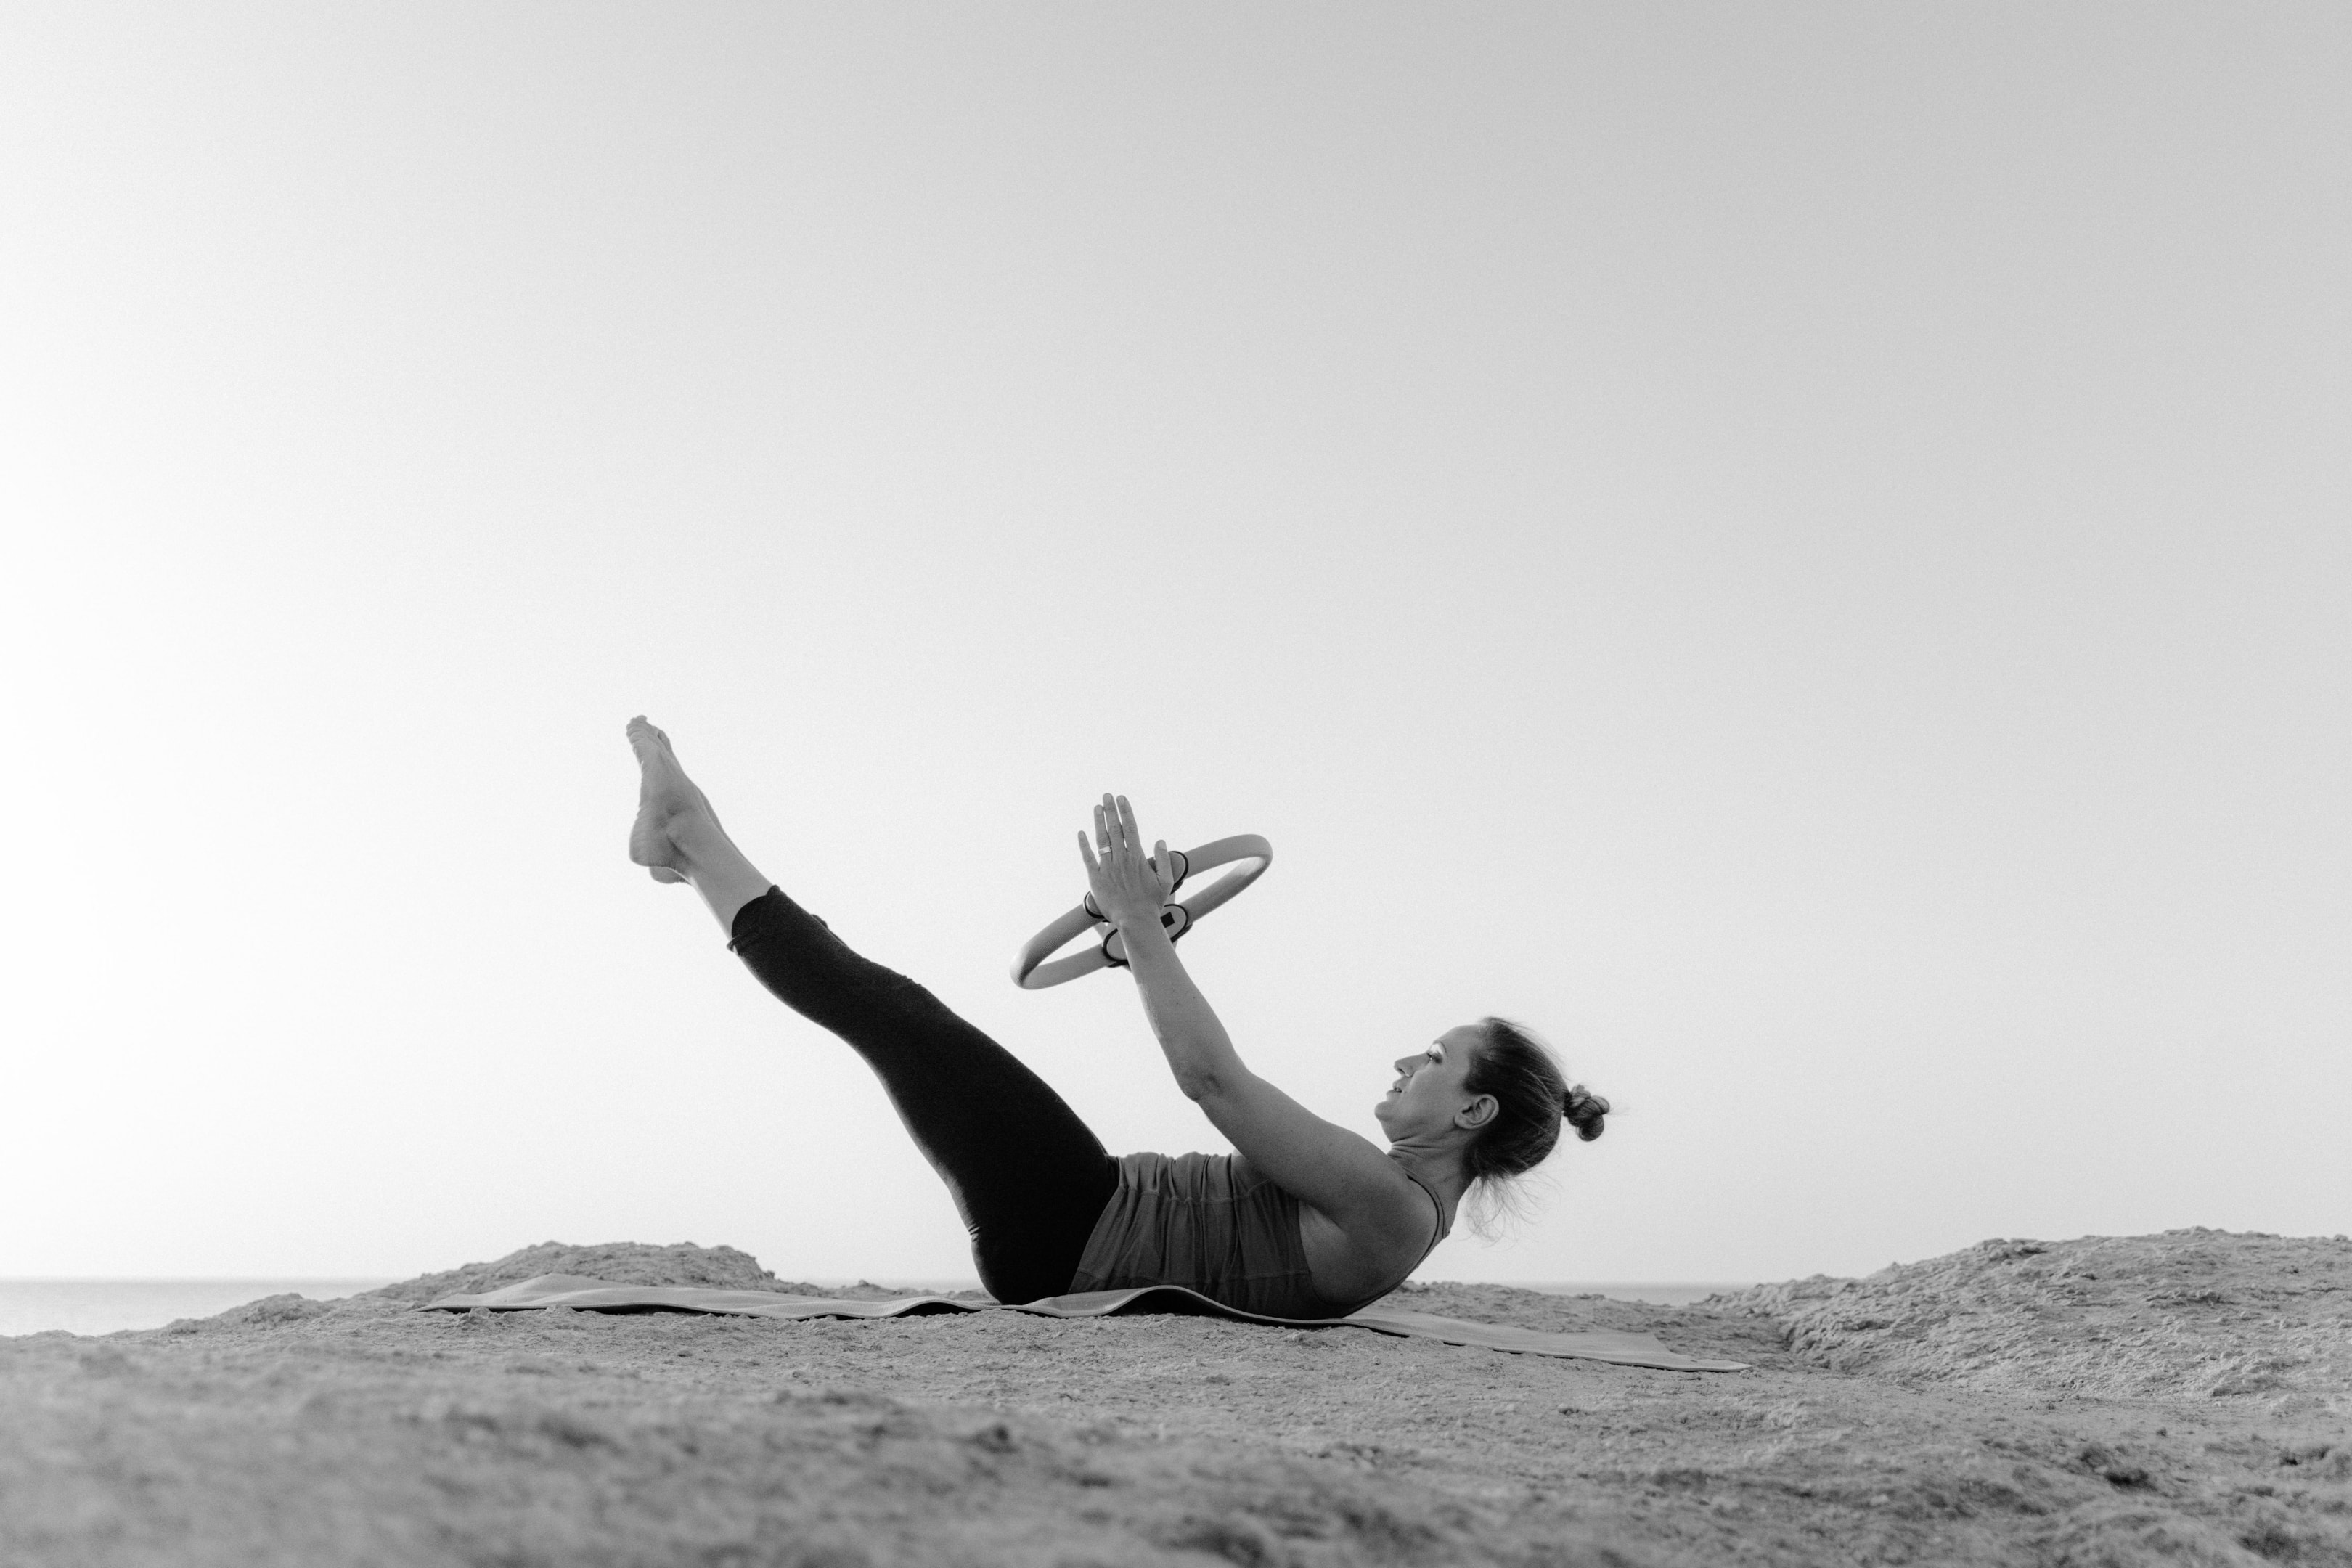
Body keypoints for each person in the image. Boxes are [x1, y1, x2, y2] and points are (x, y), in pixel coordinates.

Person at [624, 716, 1609, 1315]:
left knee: (893, 1015)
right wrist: (1148, 935)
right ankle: (688, 850)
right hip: (1076, 1212)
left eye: (1438, 1058)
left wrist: (1140, 924)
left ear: (1473, 1112)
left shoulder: (1393, 1206)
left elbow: (1212, 1081)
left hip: (1070, 1228)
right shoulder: (1396, 1206)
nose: (1407, 1059)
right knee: (891, 1017)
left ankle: (690, 837)